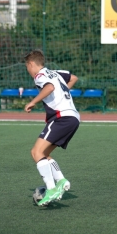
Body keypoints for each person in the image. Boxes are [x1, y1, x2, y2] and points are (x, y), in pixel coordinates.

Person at [24, 49, 80, 206]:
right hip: (73, 117)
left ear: (31, 64)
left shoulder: (40, 76)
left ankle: (51, 189)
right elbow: (74, 78)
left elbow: (49, 88)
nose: (28, 70)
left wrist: (33, 102)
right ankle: (61, 181)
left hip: (61, 117)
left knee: (36, 152)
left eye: (27, 67)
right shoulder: (55, 73)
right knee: (45, 154)